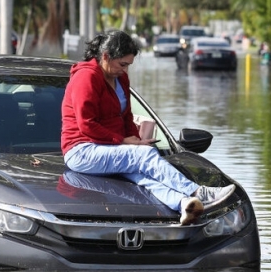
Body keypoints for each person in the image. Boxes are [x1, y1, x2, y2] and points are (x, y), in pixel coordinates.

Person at [61, 30, 236, 226]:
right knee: (143, 156)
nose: (125, 70)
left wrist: (137, 140)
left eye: (128, 65)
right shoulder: (85, 78)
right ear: (105, 56)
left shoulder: (120, 79)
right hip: (81, 151)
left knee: (142, 175)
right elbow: (87, 125)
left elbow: (126, 116)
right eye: (122, 64)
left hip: (108, 149)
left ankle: (183, 203)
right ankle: (197, 192)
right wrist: (125, 142)